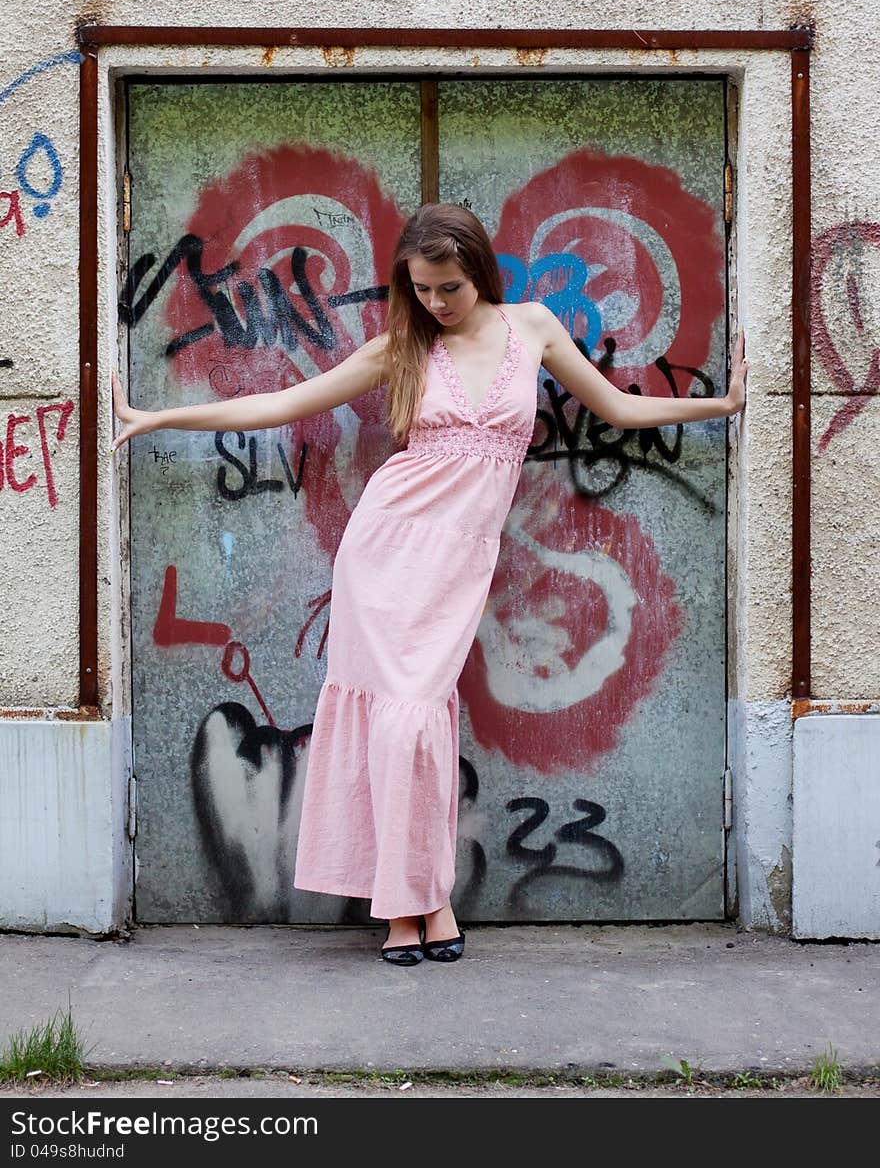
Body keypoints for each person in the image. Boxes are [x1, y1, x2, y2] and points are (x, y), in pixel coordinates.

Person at [111, 202, 747, 967]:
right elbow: (283, 404)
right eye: (421, 289)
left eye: (449, 287)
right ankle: (412, 908)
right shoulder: (401, 349)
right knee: (396, 724)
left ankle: (422, 898)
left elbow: (615, 405)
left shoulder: (535, 328)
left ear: (477, 270)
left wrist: (723, 404)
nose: (436, 303)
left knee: (419, 723)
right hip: (383, 552)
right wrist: (152, 419)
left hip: (459, 564)